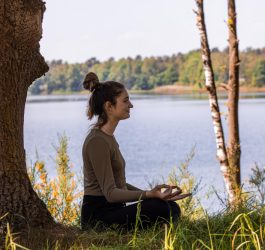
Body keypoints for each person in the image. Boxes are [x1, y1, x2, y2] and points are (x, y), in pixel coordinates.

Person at [81, 72, 191, 230]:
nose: (131, 105)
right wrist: (149, 195)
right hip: (98, 218)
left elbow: (117, 183)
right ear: (109, 106)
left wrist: (155, 195)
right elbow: (111, 193)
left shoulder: (107, 137)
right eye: (125, 101)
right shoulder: (97, 141)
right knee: (161, 208)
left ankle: (158, 224)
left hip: (113, 210)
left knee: (169, 206)